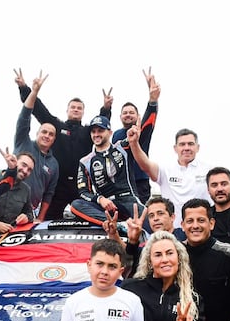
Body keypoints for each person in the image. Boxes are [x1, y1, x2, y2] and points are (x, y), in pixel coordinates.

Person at [14, 68, 112, 220]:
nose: (76, 110)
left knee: (85, 219)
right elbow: (39, 110)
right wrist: (25, 88)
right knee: (48, 220)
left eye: (79, 108)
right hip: (57, 185)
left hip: (79, 186)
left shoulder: (87, 132)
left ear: (83, 112)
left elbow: (101, 126)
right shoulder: (56, 126)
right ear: (67, 110)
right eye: (73, 107)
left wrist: (106, 108)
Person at [128, 126, 211, 230]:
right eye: (182, 144)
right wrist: (133, 144)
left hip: (200, 230)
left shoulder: (209, 170)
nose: (186, 148)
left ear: (197, 147)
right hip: (174, 231)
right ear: (175, 148)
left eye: (190, 144)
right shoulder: (166, 169)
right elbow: (145, 165)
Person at [70, 115, 144, 225]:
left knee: (149, 218)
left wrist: (152, 103)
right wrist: (100, 199)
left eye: (100, 130)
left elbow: (138, 134)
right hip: (106, 205)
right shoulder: (85, 161)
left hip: (129, 200)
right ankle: (117, 225)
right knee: (76, 205)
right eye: (93, 132)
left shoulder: (122, 147)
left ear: (110, 132)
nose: (96, 134)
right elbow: (83, 192)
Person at [13, 71, 59, 222]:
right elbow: (25, 115)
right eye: (44, 132)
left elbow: (49, 194)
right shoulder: (23, 141)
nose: (47, 136)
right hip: (9, 203)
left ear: (54, 139)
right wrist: (34, 92)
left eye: (51, 134)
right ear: (37, 133)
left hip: (30, 213)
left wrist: (40, 217)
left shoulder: (54, 164)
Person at [111, 68, 160, 203]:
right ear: (120, 116)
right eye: (125, 112)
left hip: (140, 182)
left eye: (131, 112)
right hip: (120, 184)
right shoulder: (116, 135)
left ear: (138, 116)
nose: (128, 114)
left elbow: (150, 118)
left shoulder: (141, 130)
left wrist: (153, 100)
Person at [0, 150, 35, 242]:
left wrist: (26, 218)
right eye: (23, 165)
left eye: (29, 170)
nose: (25, 171)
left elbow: (30, 214)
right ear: (15, 161)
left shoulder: (26, 189)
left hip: (10, 239)